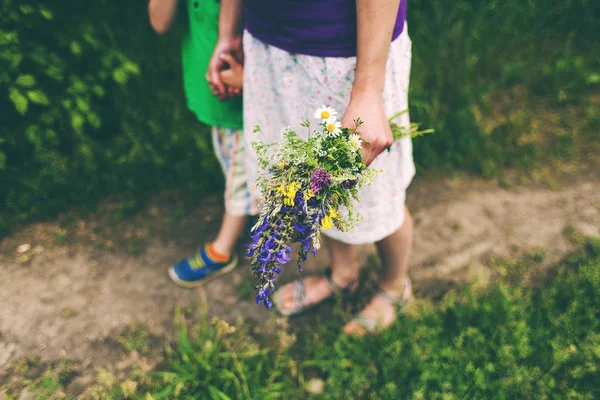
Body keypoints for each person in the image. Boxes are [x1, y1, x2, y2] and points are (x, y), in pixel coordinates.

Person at [209, 0, 415, 335]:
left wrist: (367, 91)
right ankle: (343, 273)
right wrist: (227, 33)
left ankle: (393, 286)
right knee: (312, 184)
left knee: (377, 195)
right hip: (269, 50)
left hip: (347, 56)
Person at [148, 0, 256, 287]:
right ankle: (261, 215)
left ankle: (223, 249)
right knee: (233, 161)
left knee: (242, 172)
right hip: (215, 88)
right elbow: (159, 22)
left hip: (247, 89)